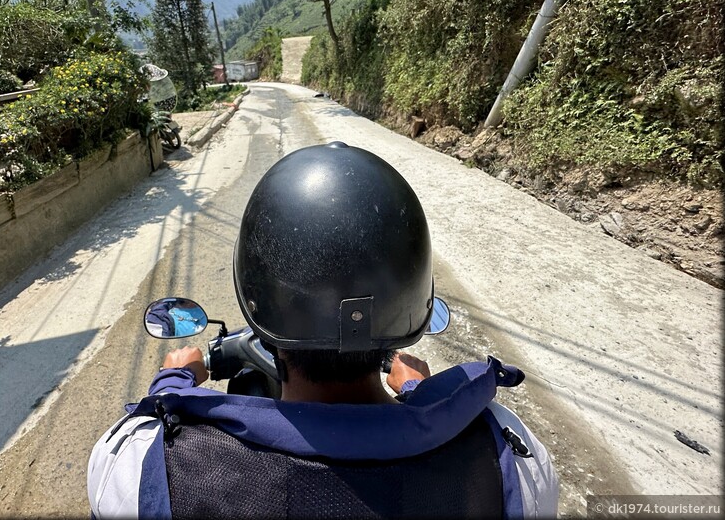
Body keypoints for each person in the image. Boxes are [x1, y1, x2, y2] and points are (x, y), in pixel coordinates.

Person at [88, 142, 558, 519]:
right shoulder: (510, 456)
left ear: (259, 303)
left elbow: (140, 429)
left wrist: (173, 380)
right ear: (411, 303)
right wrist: (416, 389)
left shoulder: (145, 466)